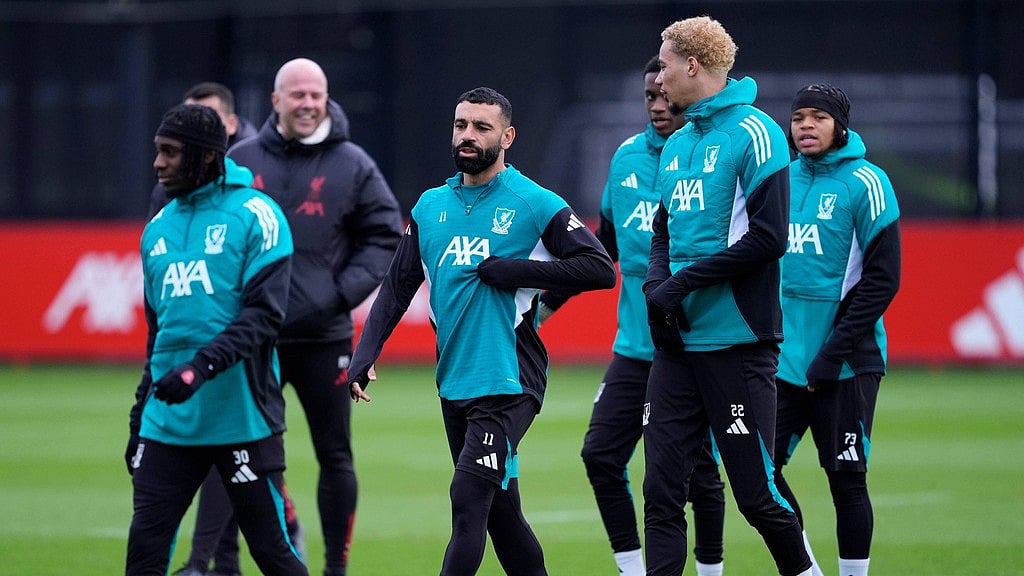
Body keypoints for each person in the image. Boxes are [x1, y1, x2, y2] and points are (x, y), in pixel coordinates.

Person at [346, 86, 616, 576]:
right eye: (461, 125)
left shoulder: (535, 202)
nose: (467, 136)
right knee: (502, 516)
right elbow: (397, 285)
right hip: (455, 381)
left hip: (511, 380)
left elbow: (599, 269)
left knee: (467, 497)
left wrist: (517, 271)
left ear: (507, 136)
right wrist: (365, 352)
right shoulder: (430, 207)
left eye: (481, 127)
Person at [537, 56, 725, 576]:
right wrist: (546, 304)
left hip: (698, 345)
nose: (659, 105)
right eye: (650, 96)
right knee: (600, 455)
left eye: (667, 94)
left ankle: (710, 571)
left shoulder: (711, 155)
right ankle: (633, 568)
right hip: (637, 347)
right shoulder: (624, 160)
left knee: (700, 476)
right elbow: (607, 248)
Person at [642, 16, 813, 576]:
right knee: (661, 489)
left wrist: (680, 285)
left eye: (665, 65)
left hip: (737, 341)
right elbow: (663, 231)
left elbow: (769, 239)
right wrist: (655, 291)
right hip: (677, 348)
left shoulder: (756, 132)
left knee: (757, 495)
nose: (658, 80)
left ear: (692, 64)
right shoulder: (677, 144)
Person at [226, 57, 404, 576]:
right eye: (296, 94)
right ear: (275, 100)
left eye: (315, 94)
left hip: (325, 336)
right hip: (255, 338)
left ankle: (335, 569)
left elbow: (384, 237)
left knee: (336, 455)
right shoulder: (240, 159)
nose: (307, 103)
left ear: (326, 99)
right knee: (249, 453)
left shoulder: (353, 162)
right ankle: (280, 542)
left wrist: (335, 295)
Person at [124, 103, 306, 576]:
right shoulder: (157, 229)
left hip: (241, 417)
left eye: (170, 152)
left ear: (206, 157)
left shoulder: (257, 215)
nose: (158, 163)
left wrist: (199, 368)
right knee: (144, 554)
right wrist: (140, 411)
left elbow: (264, 317)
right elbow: (158, 334)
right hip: (167, 423)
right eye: (157, 151)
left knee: (273, 555)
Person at [773, 83, 901, 576]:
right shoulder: (779, 179)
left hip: (845, 363)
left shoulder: (867, 182)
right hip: (782, 362)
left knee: (846, 481)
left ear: (840, 125)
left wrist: (832, 353)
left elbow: (883, 279)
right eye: (799, 116)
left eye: (818, 117)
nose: (806, 125)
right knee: (759, 472)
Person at [148, 82, 259, 219]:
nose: (198, 125)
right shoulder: (167, 186)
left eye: (209, 118)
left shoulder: (257, 172)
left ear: (231, 124)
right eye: (189, 117)